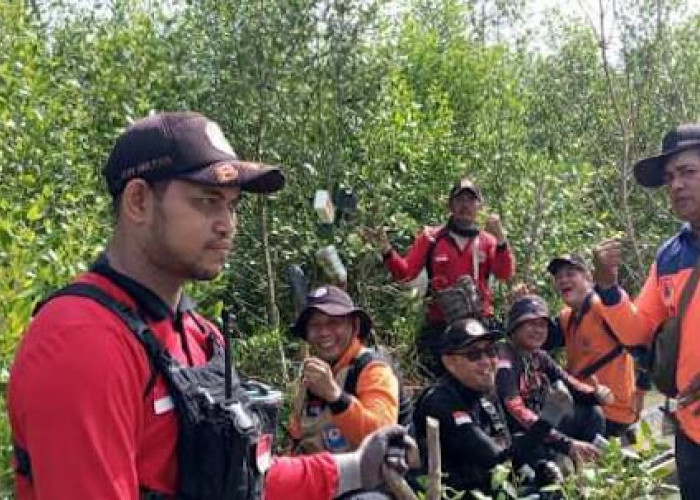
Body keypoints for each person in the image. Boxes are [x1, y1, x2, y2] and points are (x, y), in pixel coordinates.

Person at [7, 111, 415, 500]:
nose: (227, 225)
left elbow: (241, 477)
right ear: (138, 202)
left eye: (232, 205)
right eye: (206, 201)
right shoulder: (83, 342)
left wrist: (356, 467)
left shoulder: (201, 336)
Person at [592, 124, 700, 499]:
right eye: (670, 178)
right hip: (693, 432)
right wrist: (607, 287)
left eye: (688, 172)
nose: (676, 185)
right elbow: (638, 331)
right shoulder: (671, 256)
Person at [367, 177, 515, 370]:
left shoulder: (487, 241)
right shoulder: (431, 238)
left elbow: (505, 273)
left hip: (479, 326)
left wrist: (501, 238)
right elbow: (405, 274)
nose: (465, 205)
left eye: (471, 200)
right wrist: (386, 249)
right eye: (460, 199)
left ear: (479, 206)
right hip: (440, 326)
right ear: (450, 205)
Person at [411, 318, 571, 496]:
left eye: (491, 351)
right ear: (450, 362)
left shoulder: (484, 395)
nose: (486, 361)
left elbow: (508, 451)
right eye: (473, 355)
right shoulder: (440, 402)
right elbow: (497, 460)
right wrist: (549, 418)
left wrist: (536, 471)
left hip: (490, 488)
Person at [496, 295, 609, 468]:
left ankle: (591, 469)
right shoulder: (504, 360)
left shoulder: (539, 356)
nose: (538, 330)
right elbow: (516, 411)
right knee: (539, 450)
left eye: (542, 325)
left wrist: (597, 394)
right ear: (515, 326)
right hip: (521, 435)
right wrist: (565, 442)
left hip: (545, 424)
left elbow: (571, 384)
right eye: (531, 324)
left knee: (592, 413)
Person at [287, 285, 400, 454]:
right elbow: (297, 432)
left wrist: (335, 396)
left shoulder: (374, 369)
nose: (324, 332)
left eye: (334, 323)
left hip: (367, 475)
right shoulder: (313, 370)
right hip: (317, 471)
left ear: (354, 326)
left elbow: (381, 436)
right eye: (315, 325)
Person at [545, 254, 640, 440]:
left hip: (612, 410)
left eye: (570, 274)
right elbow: (542, 342)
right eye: (558, 277)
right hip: (586, 404)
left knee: (547, 432)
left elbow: (639, 336)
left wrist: (643, 390)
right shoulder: (567, 318)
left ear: (588, 277)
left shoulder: (604, 307)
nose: (563, 280)